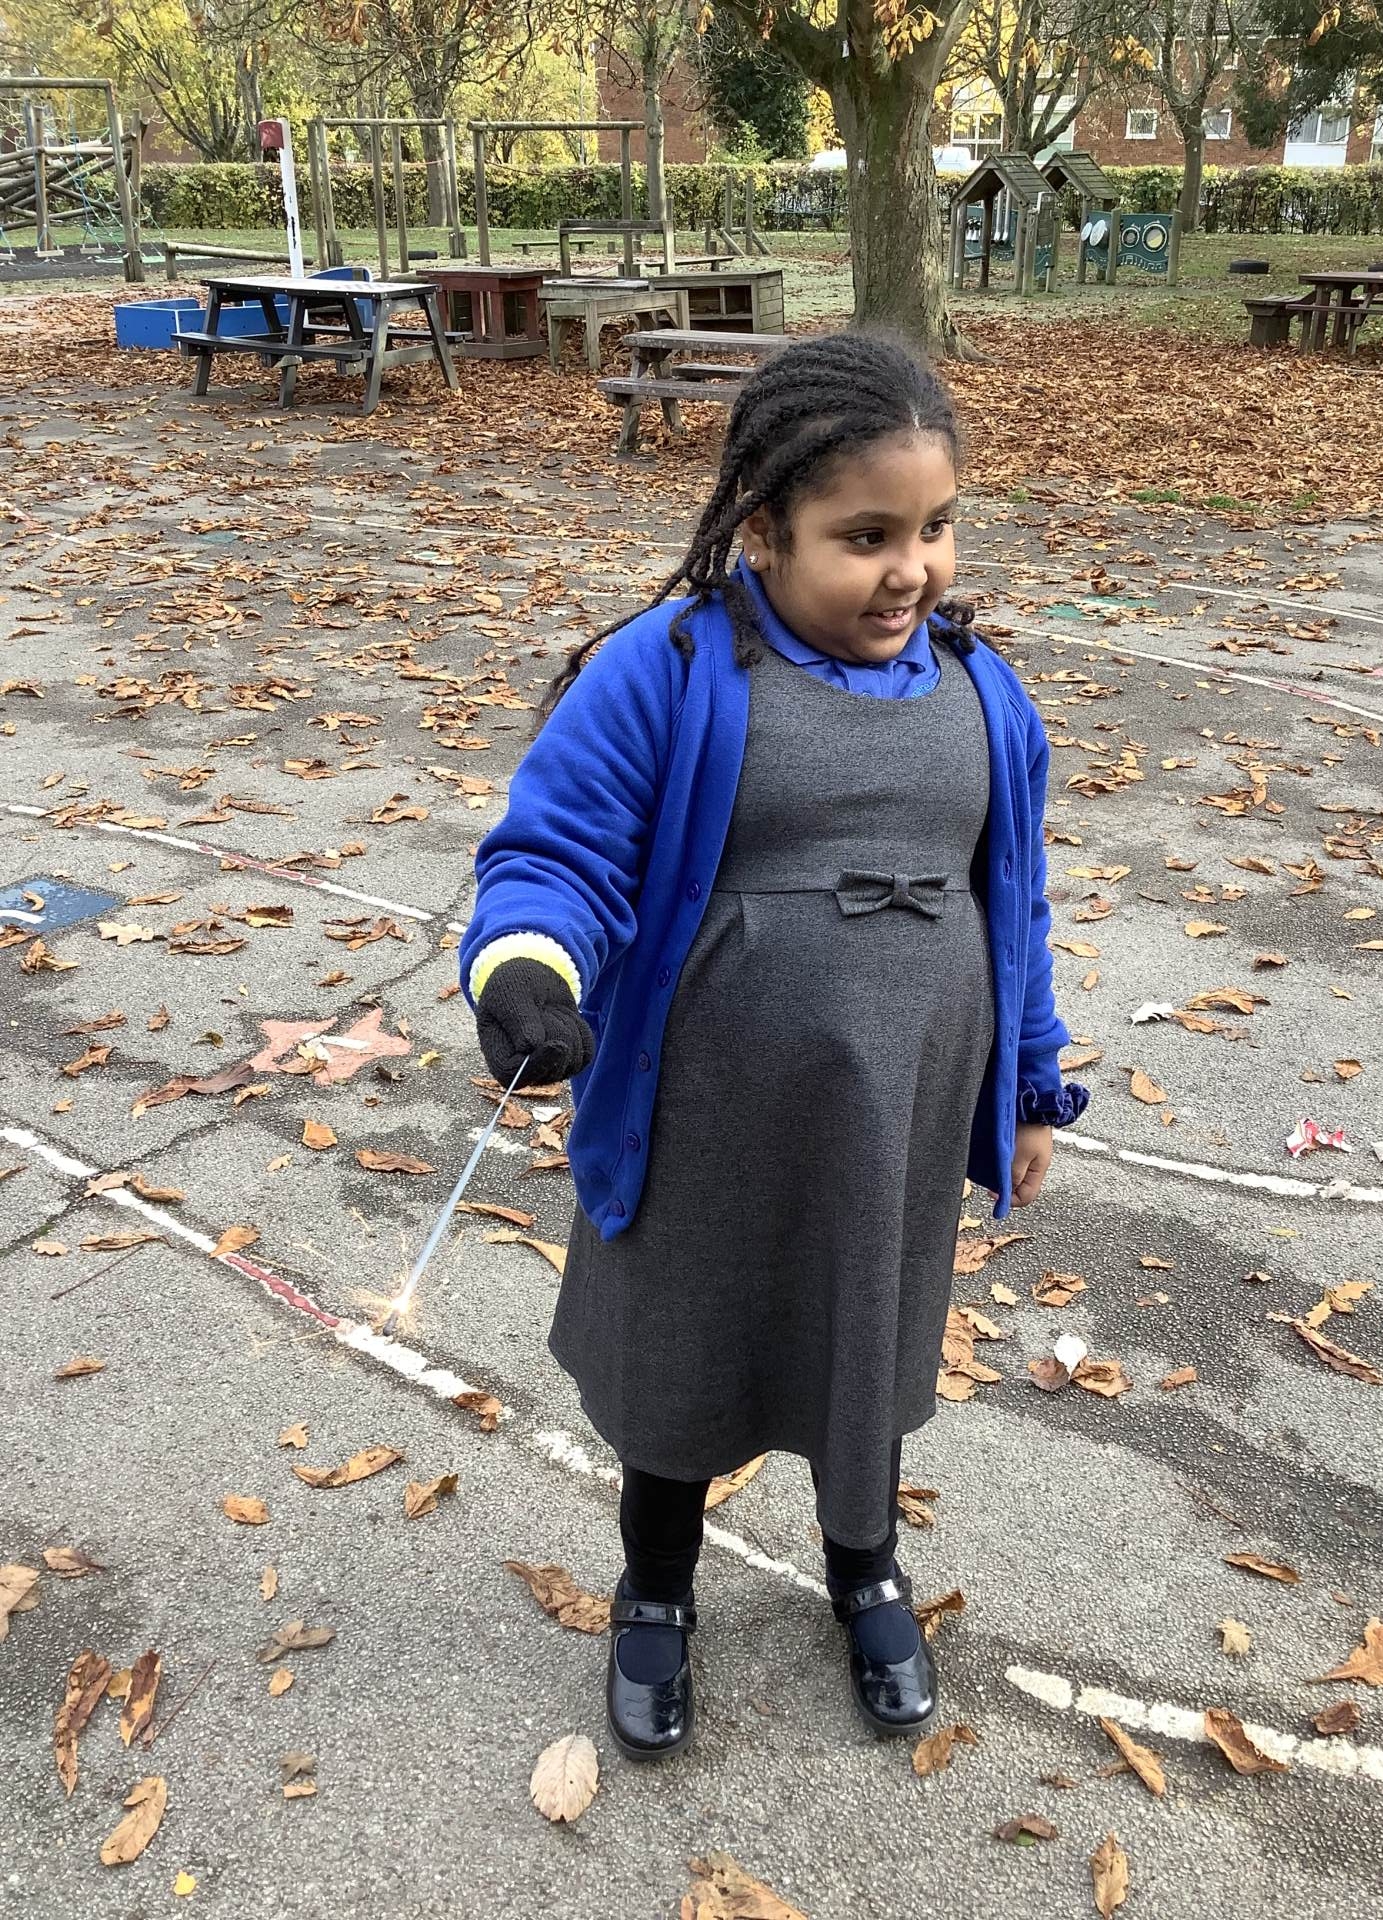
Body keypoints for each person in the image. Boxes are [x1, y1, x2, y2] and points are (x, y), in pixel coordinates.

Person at [460, 332, 1089, 1764]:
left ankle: (864, 1567)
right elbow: (557, 850)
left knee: (865, 1339)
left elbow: (1018, 906)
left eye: (934, 529)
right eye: (865, 538)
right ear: (763, 529)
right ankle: (657, 1587)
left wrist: (1033, 1083)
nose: (911, 571)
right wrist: (527, 969)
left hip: (896, 1115)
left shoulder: (984, 694)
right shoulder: (673, 668)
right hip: (704, 1112)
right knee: (682, 1353)